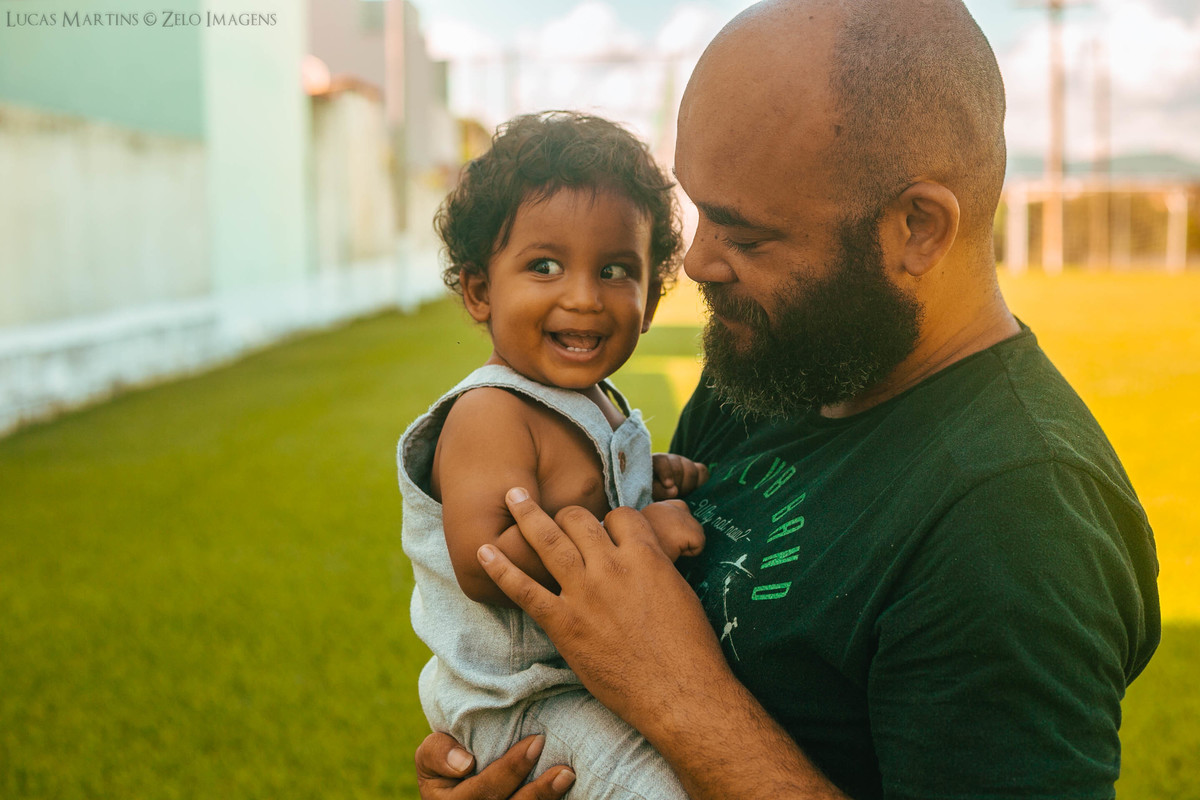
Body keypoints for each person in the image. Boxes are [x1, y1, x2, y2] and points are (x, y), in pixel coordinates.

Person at [414, 1, 1162, 798]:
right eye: (699, 213)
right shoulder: (779, 361)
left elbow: (651, 659)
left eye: (745, 236)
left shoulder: (1015, 524)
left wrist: (677, 693)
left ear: (917, 227)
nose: (696, 264)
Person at [397, 111, 710, 800]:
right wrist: (642, 535)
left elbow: (588, 487)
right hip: (520, 703)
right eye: (544, 266)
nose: (583, 297)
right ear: (480, 290)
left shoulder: (597, 400)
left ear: (651, 301)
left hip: (587, 679)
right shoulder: (492, 412)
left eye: (615, 270)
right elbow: (487, 560)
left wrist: (650, 477)